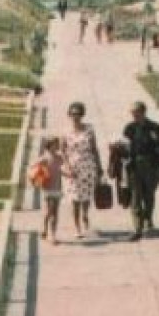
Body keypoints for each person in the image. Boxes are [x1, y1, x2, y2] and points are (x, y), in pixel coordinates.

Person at [120, 101, 159, 242]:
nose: (133, 115)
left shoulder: (154, 127)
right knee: (135, 196)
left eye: (136, 112)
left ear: (143, 112)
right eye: (132, 113)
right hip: (134, 166)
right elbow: (124, 146)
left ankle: (148, 218)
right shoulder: (129, 128)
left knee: (149, 195)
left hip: (151, 165)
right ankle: (137, 227)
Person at [63, 101, 102, 239]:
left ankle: (85, 217)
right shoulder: (66, 131)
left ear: (82, 114)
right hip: (73, 169)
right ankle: (76, 226)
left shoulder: (89, 129)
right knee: (74, 199)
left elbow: (94, 149)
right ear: (69, 114)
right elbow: (63, 152)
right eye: (73, 114)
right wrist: (67, 167)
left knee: (86, 197)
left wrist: (99, 167)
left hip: (88, 167)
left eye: (78, 114)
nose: (76, 116)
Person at [34, 137, 65, 245]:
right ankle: (45, 229)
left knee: (55, 212)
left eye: (57, 144)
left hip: (58, 187)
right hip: (48, 188)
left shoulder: (60, 158)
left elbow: (61, 170)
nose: (57, 146)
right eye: (54, 144)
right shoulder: (45, 158)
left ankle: (53, 235)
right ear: (49, 146)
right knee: (50, 211)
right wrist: (40, 175)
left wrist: (69, 175)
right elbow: (34, 168)